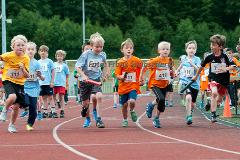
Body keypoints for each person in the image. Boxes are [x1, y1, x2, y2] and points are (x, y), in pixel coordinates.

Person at [192, 34, 234, 123]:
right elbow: (201, 66)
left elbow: (232, 67)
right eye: (211, 44)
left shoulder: (225, 56)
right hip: (213, 78)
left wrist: (225, 68)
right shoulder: (209, 57)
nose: (211, 46)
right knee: (214, 93)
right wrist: (196, 76)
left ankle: (210, 103)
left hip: (224, 81)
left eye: (214, 45)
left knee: (219, 100)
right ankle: (213, 115)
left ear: (220, 46)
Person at [75, 32, 109, 128]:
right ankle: (85, 111)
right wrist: (83, 75)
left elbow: (105, 64)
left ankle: (99, 119)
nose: (99, 49)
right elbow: (77, 67)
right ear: (91, 46)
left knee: (99, 96)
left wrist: (105, 74)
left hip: (95, 79)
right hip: (85, 81)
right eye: (97, 47)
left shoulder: (102, 55)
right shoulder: (86, 54)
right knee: (85, 103)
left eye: (101, 47)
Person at [0, 35, 30, 133]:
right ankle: (4, 111)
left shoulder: (26, 58)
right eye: (18, 45)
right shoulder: (8, 55)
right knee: (12, 97)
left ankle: (11, 125)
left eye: (22, 45)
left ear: (25, 47)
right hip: (8, 79)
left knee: (16, 106)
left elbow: (27, 75)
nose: (20, 47)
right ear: (13, 47)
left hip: (20, 83)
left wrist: (22, 68)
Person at [141, 41, 174, 128]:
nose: (165, 51)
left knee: (161, 103)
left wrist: (173, 73)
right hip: (155, 84)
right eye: (163, 49)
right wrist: (141, 77)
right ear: (159, 51)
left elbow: (171, 69)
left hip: (165, 84)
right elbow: (144, 66)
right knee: (161, 98)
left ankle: (155, 116)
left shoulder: (170, 60)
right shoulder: (155, 60)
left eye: (167, 49)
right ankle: (152, 108)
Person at [115, 38, 143, 127]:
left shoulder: (137, 60)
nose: (129, 49)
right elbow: (117, 75)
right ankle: (125, 119)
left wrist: (141, 78)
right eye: (126, 48)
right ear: (122, 50)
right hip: (123, 87)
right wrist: (121, 77)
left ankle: (132, 111)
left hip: (133, 86)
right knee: (124, 105)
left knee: (132, 101)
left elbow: (143, 68)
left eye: (131, 48)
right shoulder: (120, 62)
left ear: (133, 50)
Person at [176, 40, 201, 125]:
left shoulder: (197, 59)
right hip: (186, 82)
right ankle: (189, 116)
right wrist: (177, 71)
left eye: (193, 48)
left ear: (196, 50)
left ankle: (190, 111)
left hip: (195, 84)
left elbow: (198, 70)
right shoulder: (183, 58)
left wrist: (192, 64)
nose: (191, 50)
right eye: (190, 48)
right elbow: (181, 66)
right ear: (186, 50)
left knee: (192, 103)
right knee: (188, 98)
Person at [24, 42, 44, 131]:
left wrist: (40, 76)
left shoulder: (36, 63)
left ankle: (29, 124)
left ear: (35, 51)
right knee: (26, 102)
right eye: (28, 49)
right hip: (23, 87)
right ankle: (22, 106)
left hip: (34, 88)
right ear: (25, 50)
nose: (30, 51)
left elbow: (42, 78)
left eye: (32, 49)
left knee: (33, 108)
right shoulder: (22, 61)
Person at [38, 45, 57, 118]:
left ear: (47, 53)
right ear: (39, 52)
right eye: (42, 51)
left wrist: (52, 81)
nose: (43, 53)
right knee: (43, 98)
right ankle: (45, 111)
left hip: (48, 82)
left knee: (50, 97)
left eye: (45, 51)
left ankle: (53, 111)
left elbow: (53, 71)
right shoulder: (38, 62)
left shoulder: (49, 61)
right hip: (41, 83)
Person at [53, 50, 69, 118]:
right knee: (53, 96)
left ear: (63, 57)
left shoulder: (65, 66)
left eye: (61, 56)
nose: (59, 57)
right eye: (58, 56)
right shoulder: (53, 64)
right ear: (56, 57)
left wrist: (66, 83)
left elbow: (67, 75)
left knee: (61, 97)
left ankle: (62, 110)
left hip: (61, 83)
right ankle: (54, 110)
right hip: (54, 83)